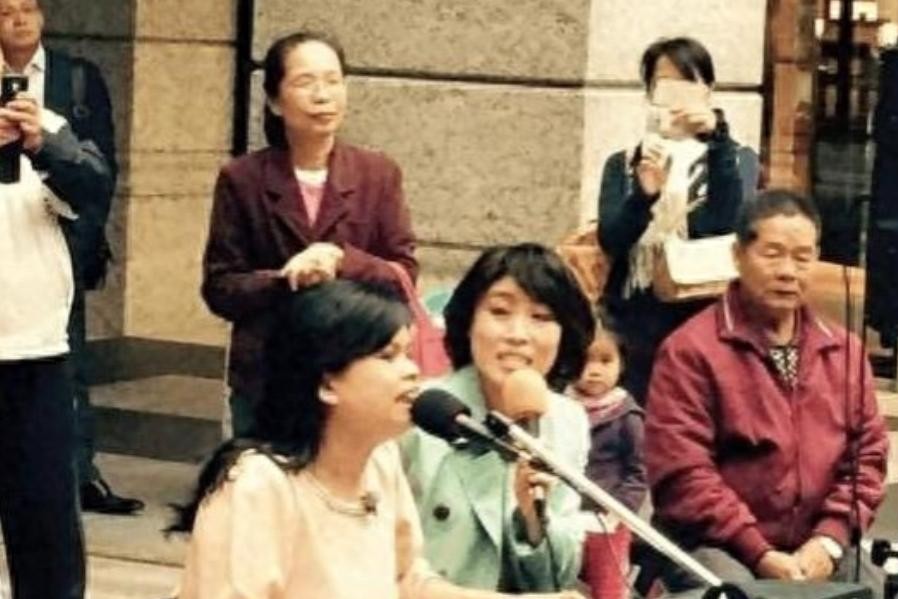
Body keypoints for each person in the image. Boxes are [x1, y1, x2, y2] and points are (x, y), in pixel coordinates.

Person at [170, 279, 582, 599]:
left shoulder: (381, 461)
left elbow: (408, 583)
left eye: (408, 354)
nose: (411, 371)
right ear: (327, 383)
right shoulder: (258, 485)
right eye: (388, 356)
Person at [644, 190, 889, 597]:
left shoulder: (844, 351)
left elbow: (868, 459)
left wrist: (828, 541)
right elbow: (684, 474)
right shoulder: (690, 349)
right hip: (717, 545)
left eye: (802, 257)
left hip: (817, 545)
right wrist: (759, 553)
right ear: (738, 255)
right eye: (772, 254)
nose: (788, 271)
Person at [201, 31, 417, 438]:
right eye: (305, 82)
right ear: (274, 100)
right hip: (268, 375)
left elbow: (403, 274)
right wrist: (285, 279)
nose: (323, 96)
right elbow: (220, 287)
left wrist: (341, 261)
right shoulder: (242, 178)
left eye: (333, 81)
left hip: (354, 371)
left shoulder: (377, 174)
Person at [0, 0, 141, 514]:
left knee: (66, 367)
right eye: (6, 12)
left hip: (57, 245)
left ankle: (77, 473)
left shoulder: (76, 79)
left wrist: (80, 243)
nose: (20, 20)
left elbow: (101, 170)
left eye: (28, 8)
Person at [400, 243, 594, 592]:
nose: (518, 335)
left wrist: (534, 523)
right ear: (468, 321)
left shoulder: (568, 422)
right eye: (500, 311)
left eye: (541, 317)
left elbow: (559, 577)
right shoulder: (419, 412)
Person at [0, 30, 115, 599]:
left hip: (37, 353)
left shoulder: (42, 123)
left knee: (46, 534)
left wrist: (42, 145)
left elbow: (95, 186)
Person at [597, 36, 756, 405]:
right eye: (664, 86)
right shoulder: (624, 162)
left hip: (702, 316)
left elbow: (723, 226)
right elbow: (612, 240)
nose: (676, 99)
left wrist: (717, 140)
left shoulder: (734, 158)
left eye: (688, 84)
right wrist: (644, 196)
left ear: (708, 91)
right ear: (649, 93)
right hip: (633, 320)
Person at [564, 310, 646, 599]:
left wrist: (619, 511)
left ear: (621, 363)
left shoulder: (627, 415)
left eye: (605, 360)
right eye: (585, 360)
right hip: (565, 516)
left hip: (609, 521)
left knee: (607, 588)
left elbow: (639, 473)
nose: (594, 370)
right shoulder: (559, 408)